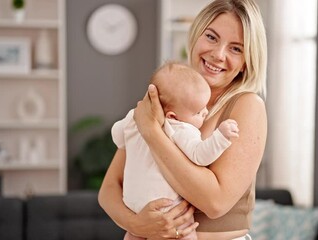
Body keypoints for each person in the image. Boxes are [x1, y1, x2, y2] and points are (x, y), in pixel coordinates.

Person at [99, 0, 267, 239]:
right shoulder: (165, 96)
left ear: (246, 61)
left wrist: (152, 131)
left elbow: (215, 202)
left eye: (236, 48)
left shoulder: (247, 106)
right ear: (196, 34)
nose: (218, 54)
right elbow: (109, 188)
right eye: (211, 37)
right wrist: (137, 225)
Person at [112, 62, 239, 240]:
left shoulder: (135, 116)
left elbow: (117, 135)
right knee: (186, 233)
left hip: (133, 207)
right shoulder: (180, 128)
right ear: (172, 116)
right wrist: (221, 137)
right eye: (198, 112)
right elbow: (200, 155)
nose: (205, 113)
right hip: (167, 209)